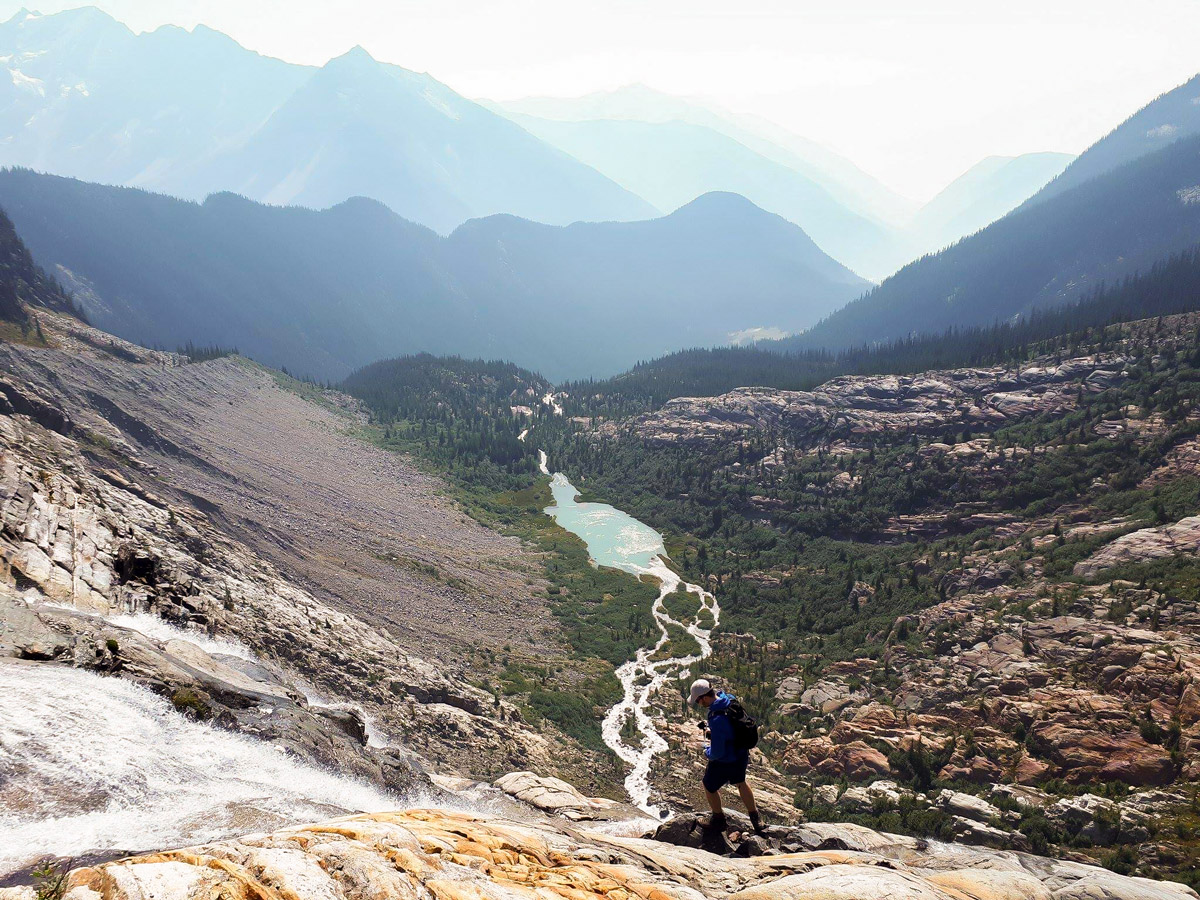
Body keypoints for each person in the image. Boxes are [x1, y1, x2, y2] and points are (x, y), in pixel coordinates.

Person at [689, 678, 762, 833]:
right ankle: (756, 820)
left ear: (704, 697)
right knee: (741, 782)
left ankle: (718, 819)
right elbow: (731, 725)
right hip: (741, 752)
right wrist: (715, 733)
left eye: (698, 701)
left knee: (709, 786)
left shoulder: (716, 719)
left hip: (726, 759)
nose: (699, 704)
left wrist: (707, 752)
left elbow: (717, 752)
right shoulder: (727, 698)